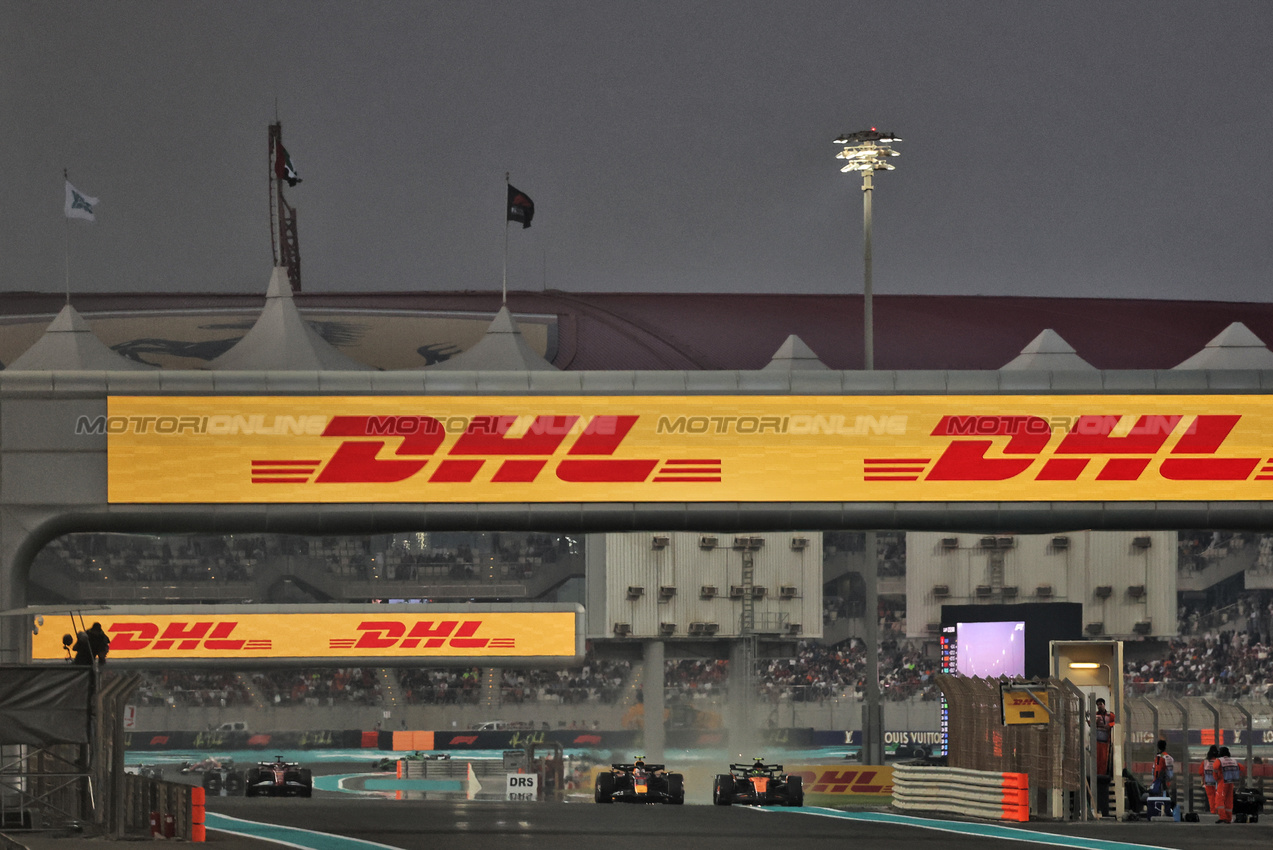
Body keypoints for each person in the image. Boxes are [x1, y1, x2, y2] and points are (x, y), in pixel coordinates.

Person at [1215, 746, 1241, 823]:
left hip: (1222, 782)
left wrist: (1216, 777)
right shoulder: (1233, 761)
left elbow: (1215, 767)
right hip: (1231, 782)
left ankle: (1222, 817)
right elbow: (1241, 768)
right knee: (1229, 800)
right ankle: (1228, 818)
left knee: (1219, 800)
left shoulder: (1219, 760)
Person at [1149, 739, 1174, 817]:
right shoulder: (1169, 757)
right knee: (1165, 796)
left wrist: (1155, 781)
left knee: (1159, 796)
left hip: (1158, 781)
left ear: (1158, 747)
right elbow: (1170, 773)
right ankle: (1167, 811)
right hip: (1165, 781)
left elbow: (1155, 770)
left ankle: (1160, 811)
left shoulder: (1158, 757)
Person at [1202, 744, 1220, 819]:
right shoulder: (1218, 761)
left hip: (1208, 782)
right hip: (1217, 782)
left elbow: (1201, 772)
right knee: (1217, 796)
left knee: (1211, 797)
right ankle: (1218, 809)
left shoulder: (1205, 761)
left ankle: (1213, 810)